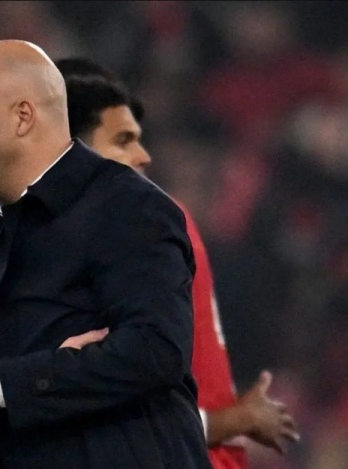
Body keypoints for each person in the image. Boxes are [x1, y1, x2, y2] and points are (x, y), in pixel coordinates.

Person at [0, 40, 211, 468]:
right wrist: (47, 366)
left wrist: (5, 383)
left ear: (23, 116)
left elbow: (156, 348)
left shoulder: (126, 206)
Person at [54, 57, 301, 468]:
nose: (143, 156)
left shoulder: (145, 225)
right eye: (122, 141)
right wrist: (236, 419)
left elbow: (125, 413)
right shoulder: (146, 223)